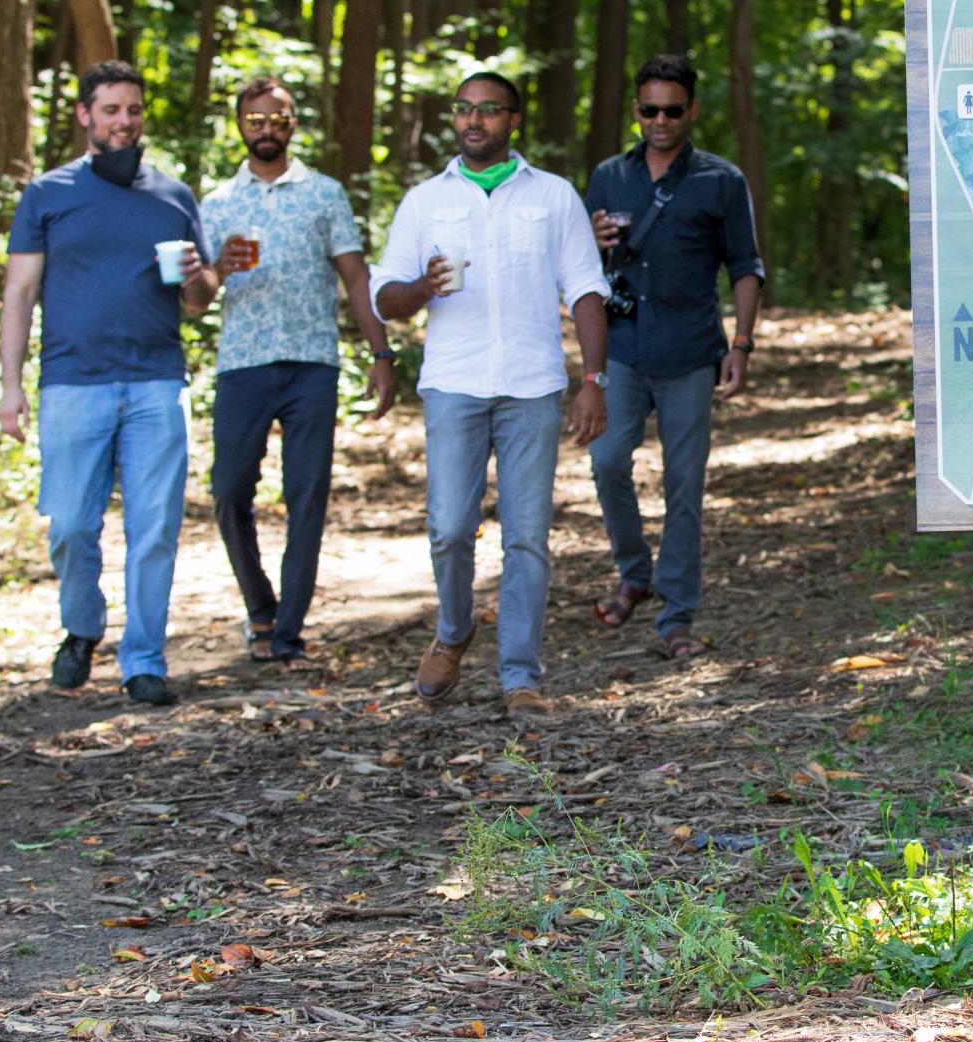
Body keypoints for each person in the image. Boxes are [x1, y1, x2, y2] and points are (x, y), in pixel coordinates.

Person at [374, 71, 608, 715]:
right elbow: (385, 295)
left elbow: (586, 289)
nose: (473, 120)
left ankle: (520, 676)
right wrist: (421, 289)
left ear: (513, 120)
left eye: (489, 110)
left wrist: (593, 379)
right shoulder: (424, 201)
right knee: (450, 528)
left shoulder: (554, 196)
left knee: (527, 537)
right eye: (464, 110)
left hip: (533, 385)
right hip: (454, 382)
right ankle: (453, 631)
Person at [0, 58, 213, 706]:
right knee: (69, 525)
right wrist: (11, 387)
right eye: (112, 110)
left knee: (153, 530)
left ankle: (143, 658)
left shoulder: (173, 196)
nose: (125, 122)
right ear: (86, 116)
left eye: (134, 111)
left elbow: (198, 302)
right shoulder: (48, 193)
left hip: (155, 383)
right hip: (72, 384)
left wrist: (198, 275)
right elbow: (20, 291)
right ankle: (82, 627)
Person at [199, 75, 398, 666]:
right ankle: (259, 605)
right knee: (228, 489)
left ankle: (287, 631)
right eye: (255, 120)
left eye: (278, 119)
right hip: (242, 364)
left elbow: (357, 278)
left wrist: (381, 355)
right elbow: (193, 298)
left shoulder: (324, 194)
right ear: (239, 125)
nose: (267, 129)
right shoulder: (214, 203)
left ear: (293, 124)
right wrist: (214, 268)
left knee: (307, 494)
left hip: (313, 364)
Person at [584, 54, 764, 664]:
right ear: (635, 110)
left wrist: (741, 344)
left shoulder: (721, 180)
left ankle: (676, 614)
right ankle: (635, 572)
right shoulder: (609, 175)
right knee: (607, 460)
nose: (659, 121)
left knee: (685, 485)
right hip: (624, 346)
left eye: (672, 110)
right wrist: (594, 238)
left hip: (691, 351)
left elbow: (746, 267)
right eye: (648, 110)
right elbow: (582, 267)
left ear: (692, 111)